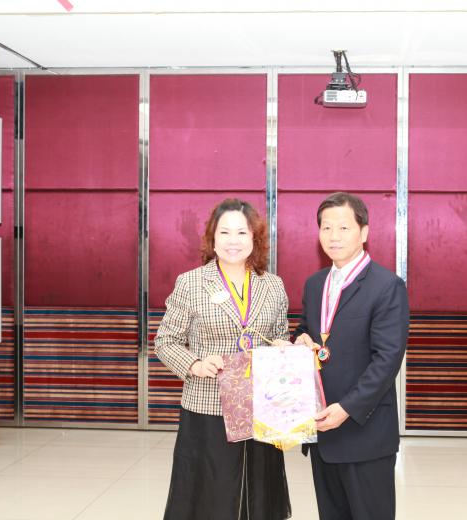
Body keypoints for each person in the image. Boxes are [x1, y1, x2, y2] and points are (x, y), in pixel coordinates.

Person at [154, 198, 292, 520]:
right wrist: (195, 364)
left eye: (241, 233)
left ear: (254, 238)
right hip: (209, 406)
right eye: (225, 232)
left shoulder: (273, 286)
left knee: (257, 494)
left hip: (261, 407)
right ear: (212, 239)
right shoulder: (191, 283)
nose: (233, 241)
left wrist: (283, 347)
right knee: (211, 496)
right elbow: (165, 341)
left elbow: (280, 335)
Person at [295, 192, 409, 520]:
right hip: (322, 429)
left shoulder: (387, 286)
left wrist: (346, 409)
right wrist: (300, 341)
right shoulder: (315, 284)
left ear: (364, 232)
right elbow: (307, 332)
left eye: (344, 227)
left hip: (364, 431)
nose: (334, 236)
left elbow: (387, 359)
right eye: (326, 227)